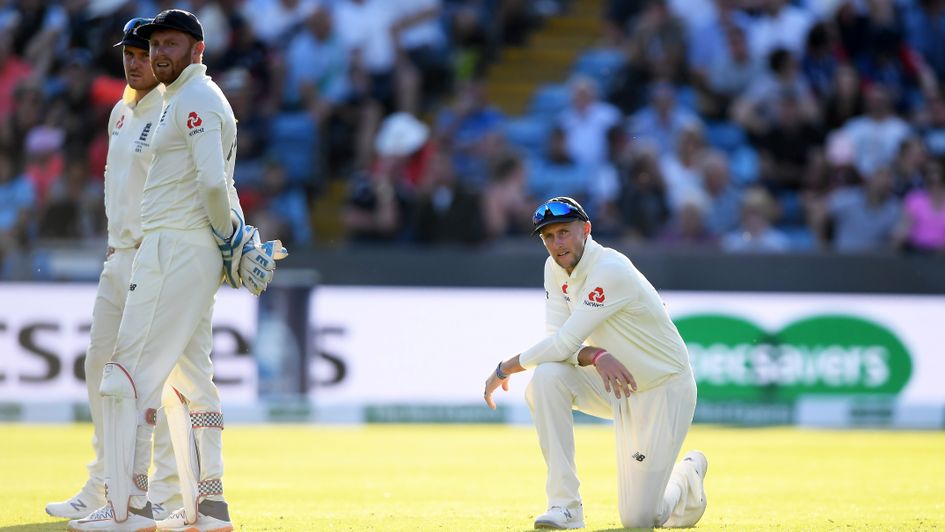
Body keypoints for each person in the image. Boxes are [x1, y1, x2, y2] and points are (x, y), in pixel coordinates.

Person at [69, 9, 284, 532]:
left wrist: (228, 233)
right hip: (184, 248)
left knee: (128, 378)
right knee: (192, 381)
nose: (160, 52)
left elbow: (213, 183)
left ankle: (131, 509)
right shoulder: (181, 98)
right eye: (155, 44)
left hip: (173, 248)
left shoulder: (193, 99)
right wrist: (227, 233)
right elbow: (218, 182)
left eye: (171, 44)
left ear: (198, 50)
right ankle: (209, 507)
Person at [483, 196, 708, 529]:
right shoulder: (553, 269)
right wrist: (595, 355)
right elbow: (557, 340)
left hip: (664, 389)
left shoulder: (609, 269)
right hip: (616, 386)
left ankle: (687, 476)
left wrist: (505, 368)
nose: (557, 244)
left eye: (564, 232)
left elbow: (561, 343)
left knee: (642, 519)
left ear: (586, 229)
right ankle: (565, 507)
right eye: (548, 237)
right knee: (547, 378)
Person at [45, 17, 183, 522]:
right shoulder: (121, 113)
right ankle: (103, 484)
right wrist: (111, 242)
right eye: (127, 52)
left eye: (143, 53)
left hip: (155, 257)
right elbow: (114, 185)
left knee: (154, 380)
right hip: (118, 255)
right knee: (98, 368)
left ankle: (163, 494)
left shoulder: (172, 110)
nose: (133, 60)